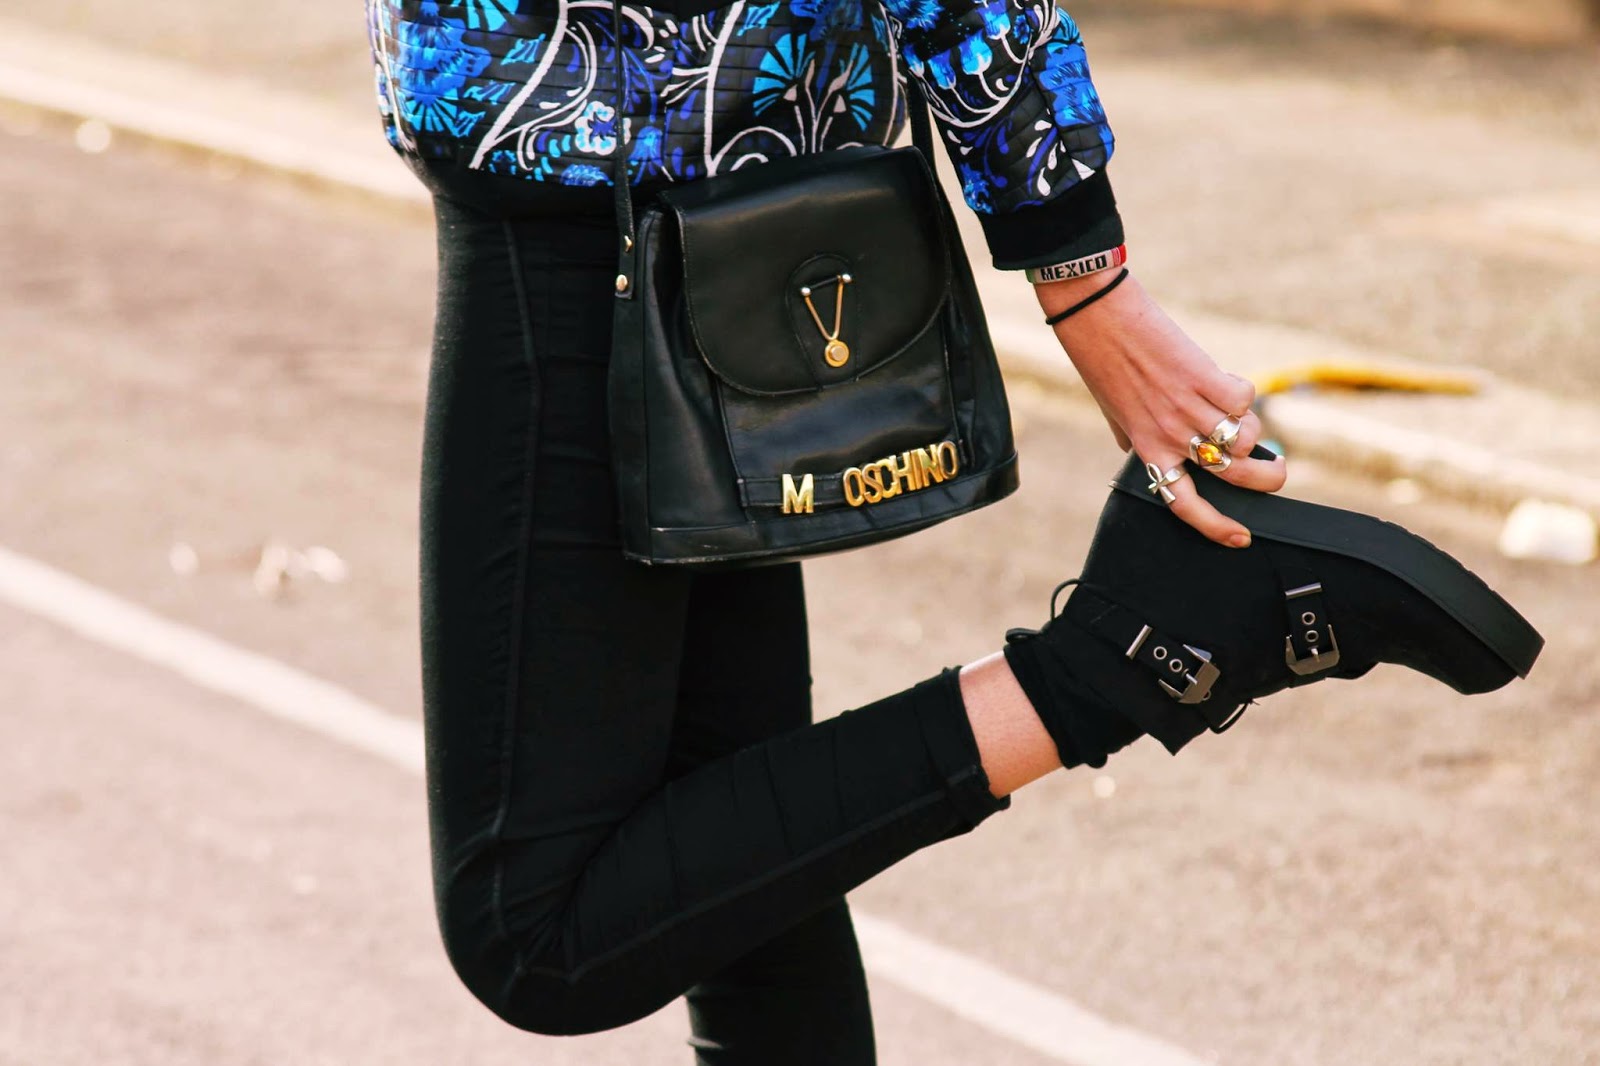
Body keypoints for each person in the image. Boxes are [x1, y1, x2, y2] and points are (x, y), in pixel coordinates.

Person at [363, 0, 1538, 1060]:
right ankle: (1131, 650)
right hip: (636, 156)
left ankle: (1125, 656)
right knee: (744, 871)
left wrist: (1082, 275)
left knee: (537, 929)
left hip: (580, 185)